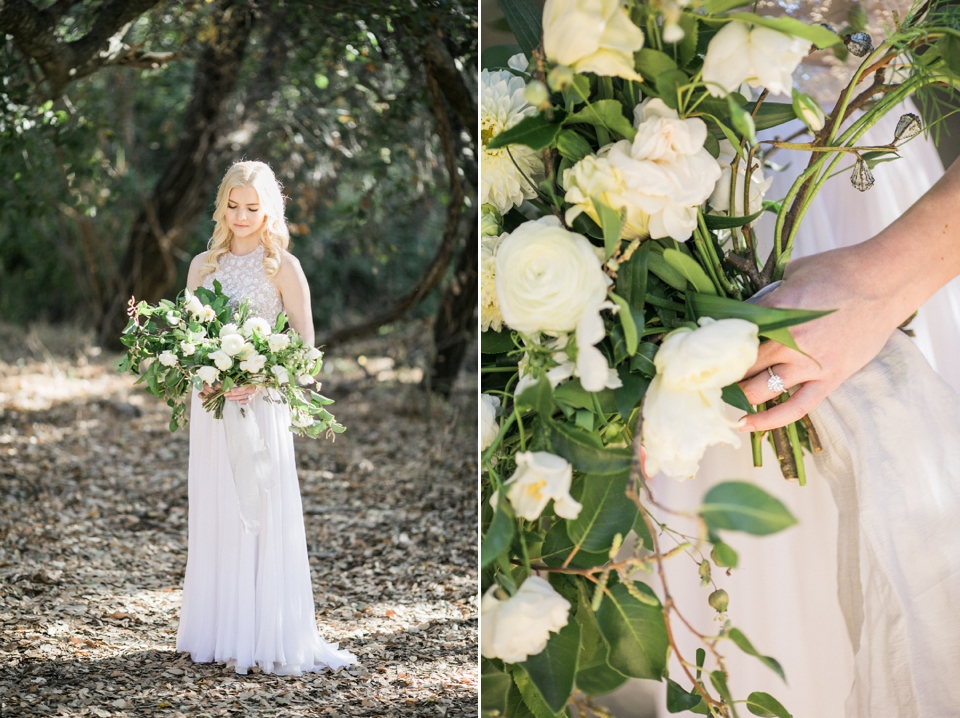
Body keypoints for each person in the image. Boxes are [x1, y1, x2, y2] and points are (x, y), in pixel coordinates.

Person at [175, 160, 356, 675]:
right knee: (218, 503)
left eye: (252, 207)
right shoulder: (202, 266)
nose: (241, 216)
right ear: (222, 205)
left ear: (270, 209)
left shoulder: (285, 267)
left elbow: (306, 345)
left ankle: (263, 630)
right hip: (212, 407)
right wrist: (204, 373)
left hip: (262, 403)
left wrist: (264, 378)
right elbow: (188, 341)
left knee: (259, 506)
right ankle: (217, 628)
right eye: (233, 206)